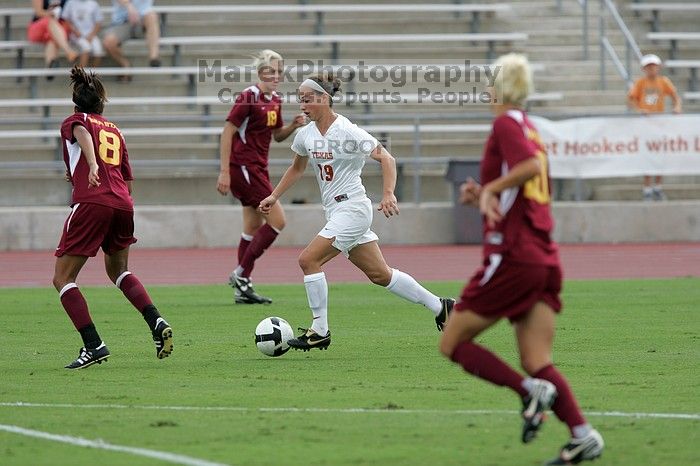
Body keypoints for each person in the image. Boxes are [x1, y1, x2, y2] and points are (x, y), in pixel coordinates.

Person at [438, 54, 604, 465]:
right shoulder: (527, 125)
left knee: (452, 342)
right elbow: (524, 180)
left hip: (514, 256)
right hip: (543, 256)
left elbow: (529, 168)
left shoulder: (506, 121)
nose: (485, 89)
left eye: (490, 81)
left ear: (501, 87)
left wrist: (491, 189)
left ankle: (529, 393)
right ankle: (583, 435)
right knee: (536, 360)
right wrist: (486, 193)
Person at [258, 73, 455, 351]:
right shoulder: (306, 135)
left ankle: (320, 330)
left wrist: (388, 194)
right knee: (380, 275)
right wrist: (274, 195)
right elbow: (297, 168)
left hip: (353, 208)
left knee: (308, 260)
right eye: (299, 99)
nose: (302, 105)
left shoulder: (347, 132)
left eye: (307, 99)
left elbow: (386, 158)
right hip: (336, 211)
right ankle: (442, 307)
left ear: (324, 99)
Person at [53, 66, 173, 369]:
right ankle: (156, 321)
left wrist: (91, 165)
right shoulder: (115, 131)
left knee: (63, 278)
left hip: (92, 202)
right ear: (101, 104)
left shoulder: (76, 121)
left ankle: (93, 345)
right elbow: (127, 179)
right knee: (119, 271)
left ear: (76, 103)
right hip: (123, 204)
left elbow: (81, 132)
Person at [217, 50, 305, 305]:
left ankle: (242, 289)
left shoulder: (276, 99)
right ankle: (241, 274)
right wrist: (224, 171)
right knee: (278, 220)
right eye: (272, 71)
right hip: (243, 166)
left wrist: (292, 126)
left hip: (258, 166)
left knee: (252, 228)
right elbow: (227, 132)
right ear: (260, 73)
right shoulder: (248, 97)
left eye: (280, 72)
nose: (277, 76)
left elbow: (276, 135)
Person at [628, 53, 682, 201]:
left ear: (658, 67)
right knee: (647, 155)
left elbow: (675, 96)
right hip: (645, 124)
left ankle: (657, 187)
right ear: (644, 69)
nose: (651, 69)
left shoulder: (663, 82)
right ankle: (647, 188)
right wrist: (640, 110)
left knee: (660, 155)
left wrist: (677, 107)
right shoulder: (640, 83)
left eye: (654, 66)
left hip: (659, 123)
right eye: (648, 67)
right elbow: (631, 99)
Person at [102, 0, 161, 76]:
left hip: (143, 22)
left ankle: (154, 58)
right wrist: (129, 6)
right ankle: (126, 64)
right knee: (108, 42)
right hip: (121, 23)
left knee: (152, 16)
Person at [27, 0, 78, 75]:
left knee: (52, 40)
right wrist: (51, 14)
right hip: (39, 26)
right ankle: (68, 51)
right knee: (52, 23)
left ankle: (50, 65)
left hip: (56, 30)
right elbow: (39, 12)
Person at [61, 0, 104, 67]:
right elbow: (66, 20)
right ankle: (81, 74)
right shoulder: (70, 2)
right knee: (86, 47)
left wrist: (91, 35)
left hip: (91, 34)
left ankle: (92, 74)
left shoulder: (93, 3)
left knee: (98, 51)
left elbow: (98, 22)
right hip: (76, 35)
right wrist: (75, 31)